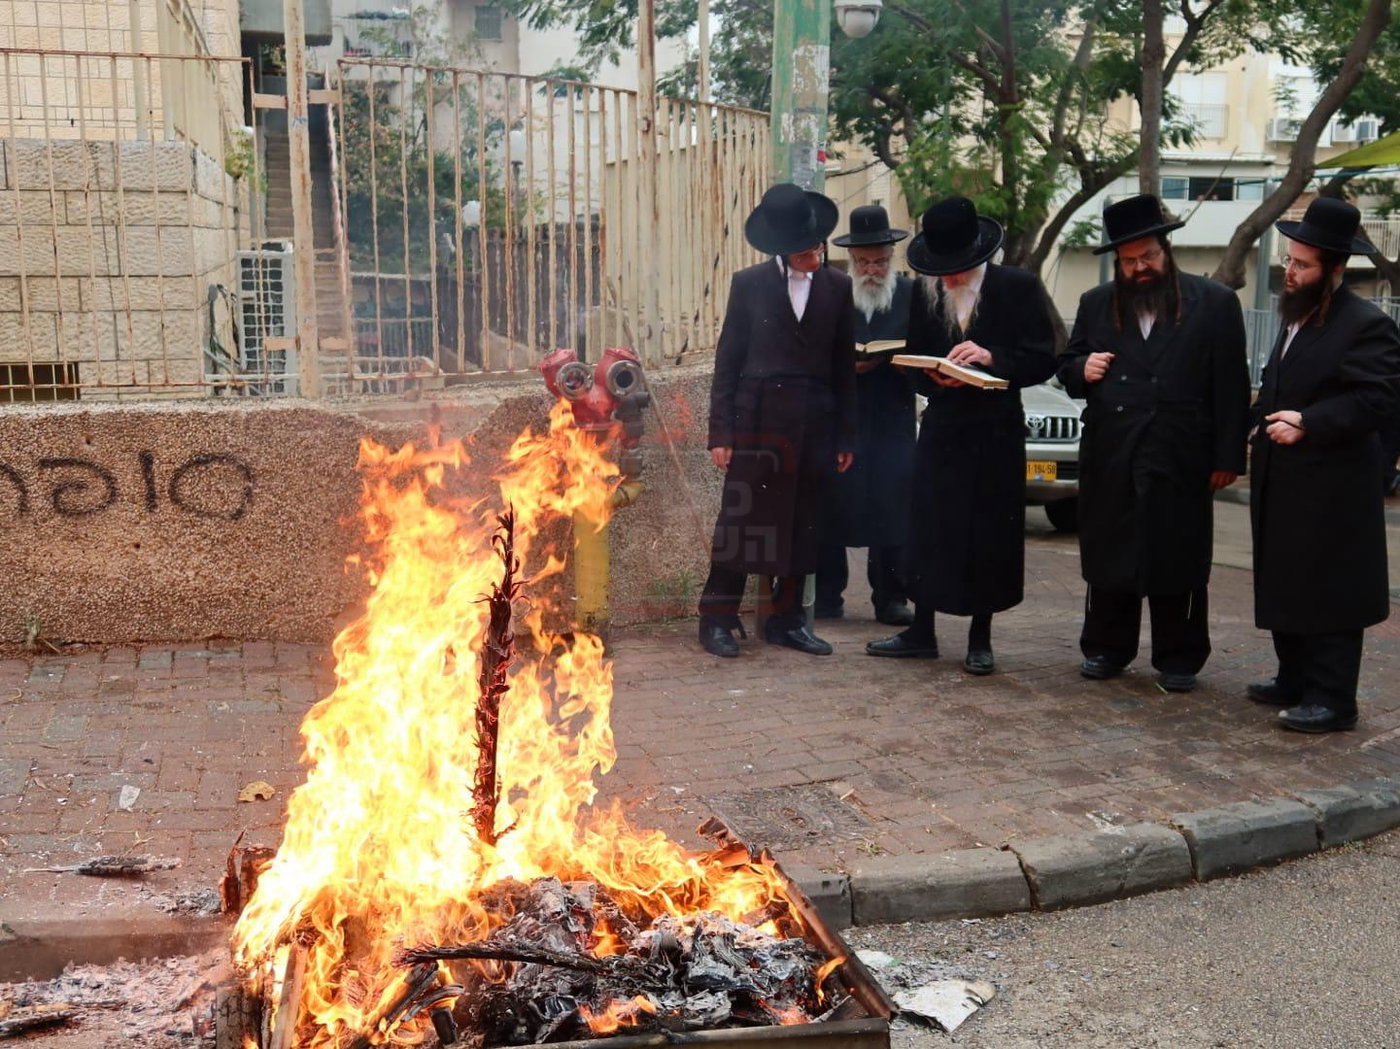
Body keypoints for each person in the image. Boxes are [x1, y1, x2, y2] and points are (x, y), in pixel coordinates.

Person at [1057, 193, 1250, 692]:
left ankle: (1179, 657)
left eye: (1148, 257)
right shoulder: (1095, 304)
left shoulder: (1214, 303)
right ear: (1117, 263)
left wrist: (1228, 456)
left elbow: (1231, 386)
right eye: (1129, 261)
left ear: (1167, 251)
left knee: (1176, 554)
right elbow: (1068, 368)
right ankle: (1105, 648)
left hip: (1181, 452)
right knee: (1112, 553)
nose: (1140, 268)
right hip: (1113, 452)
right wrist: (1083, 368)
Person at [865, 196, 1056, 674]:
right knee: (929, 529)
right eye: (942, 269)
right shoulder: (925, 291)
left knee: (988, 534)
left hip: (994, 433)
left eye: (958, 270)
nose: (949, 279)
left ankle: (980, 637)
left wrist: (993, 359)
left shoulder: (1018, 288)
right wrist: (935, 378)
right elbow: (912, 358)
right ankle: (921, 631)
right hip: (944, 427)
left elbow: (1044, 357)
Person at [1248, 196, 1400, 733]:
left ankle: (1334, 699)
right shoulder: (1297, 316)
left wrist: (1309, 421)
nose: (1290, 271)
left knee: (1329, 589)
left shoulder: (1365, 324)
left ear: (1334, 269)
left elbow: (1376, 400)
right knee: (1288, 580)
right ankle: (1294, 678)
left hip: (1333, 487)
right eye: (1290, 260)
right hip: (1284, 481)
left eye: (1302, 264)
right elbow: (1279, 385)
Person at [697, 182, 858, 658]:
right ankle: (717, 619)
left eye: (818, 246)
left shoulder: (838, 286)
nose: (817, 255)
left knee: (803, 525)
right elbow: (728, 362)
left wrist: (847, 435)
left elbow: (843, 367)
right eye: (807, 252)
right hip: (756, 425)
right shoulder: (748, 285)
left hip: (814, 425)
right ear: (783, 252)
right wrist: (720, 433)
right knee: (741, 524)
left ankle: (786, 623)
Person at [814, 205, 917, 626]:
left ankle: (890, 597)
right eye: (864, 262)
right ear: (851, 261)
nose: (872, 269)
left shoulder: (911, 294)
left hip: (893, 415)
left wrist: (898, 360)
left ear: (892, 259)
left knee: (892, 506)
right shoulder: (836, 292)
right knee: (834, 504)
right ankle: (827, 595)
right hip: (845, 417)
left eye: (880, 260)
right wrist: (844, 365)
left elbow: (925, 348)